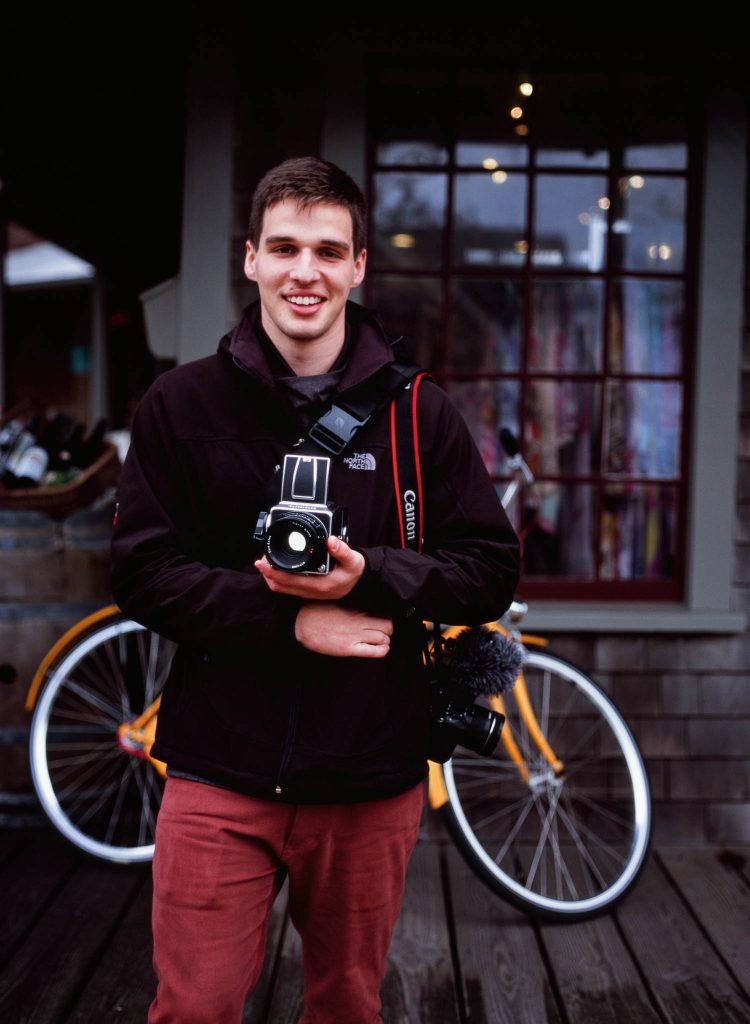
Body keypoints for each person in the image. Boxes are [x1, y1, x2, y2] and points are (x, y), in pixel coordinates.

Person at [110, 156, 520, 1024]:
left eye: (330, 251)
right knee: (194, 1010)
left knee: (345, 1007)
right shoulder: (178, 406)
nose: (307, 272)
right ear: (251, 257)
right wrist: (291, 624)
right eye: (287, 247)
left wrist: (374, 575)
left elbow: (490, 569)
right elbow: (143, 571)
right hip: (220, 771)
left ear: (360, 266)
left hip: (371, 775)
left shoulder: (421, 414)